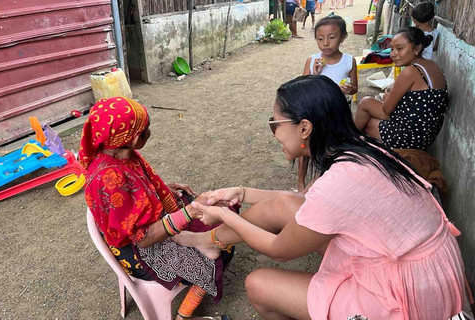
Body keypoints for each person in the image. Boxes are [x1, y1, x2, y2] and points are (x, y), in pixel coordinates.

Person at [174, 75, 467, 320]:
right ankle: (208, 243)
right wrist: (243, 192)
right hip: (423, 269)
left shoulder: (342, 179)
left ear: (304, 127)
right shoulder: (357, 150)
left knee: (258, 285)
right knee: (285, 205)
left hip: (408, 294)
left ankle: (209, 241)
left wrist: (227, 214)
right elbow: (305, 199)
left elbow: (279, 248)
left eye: (275, 124)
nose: (274, 133)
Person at [79, 97, 231, 320]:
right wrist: (188, 213)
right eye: (144, 130)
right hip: (138, 250)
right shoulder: (109, 178)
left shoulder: (120, 154)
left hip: (140, 231)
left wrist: (160, 189)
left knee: (213, 214)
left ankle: (192, 238)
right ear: (130, 139)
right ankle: (184, 316)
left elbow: (132, 193)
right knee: (222, 248)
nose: (149, 133)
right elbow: (142, 237)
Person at [354, 27, 447, 151]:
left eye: (400, 49)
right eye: (392, 49)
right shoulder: (434, 66)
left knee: (366, 107)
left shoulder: (411, 71)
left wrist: (387, 97)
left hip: (409, 137)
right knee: (368, 108)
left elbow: (387, 109)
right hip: (427, 135)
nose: (393, 54)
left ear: (417, 48)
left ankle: (348, 142)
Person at [299, 14, 357, 191]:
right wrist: (315, 75)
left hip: (337, 112)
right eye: (320, 38)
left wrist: (349, 89)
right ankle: (300, 182)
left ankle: (322, 182)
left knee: (332, 148)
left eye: (332, 38)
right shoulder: (313, 61)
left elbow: (355, 88)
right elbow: (301, 88)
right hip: (315, 112)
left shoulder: (349, 61)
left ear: (343, 37)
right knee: (305, 147)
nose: (325, 43)